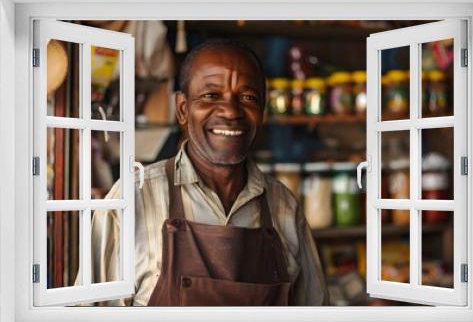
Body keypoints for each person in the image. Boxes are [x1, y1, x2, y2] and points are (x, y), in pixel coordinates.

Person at [91, 39, 329, 306]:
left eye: (247, 97)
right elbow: (89, 313)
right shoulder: (132, 198)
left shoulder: (283, 204)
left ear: (262, 111)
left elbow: (314, 311)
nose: (230, 111)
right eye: (211, 96)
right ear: (183, 109)